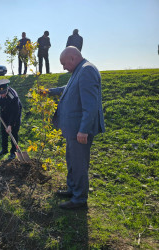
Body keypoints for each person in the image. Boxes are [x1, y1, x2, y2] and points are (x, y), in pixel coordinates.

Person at [48, 47, 105, 209]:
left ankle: (80, 199)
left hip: (79, 131)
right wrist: (49, 92)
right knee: (72, 160)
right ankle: (72, 189)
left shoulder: (87, 71)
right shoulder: (78, 71)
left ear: (72, 58)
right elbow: (67, 89)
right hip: (73, 129)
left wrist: (84, 129)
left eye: (64, 63)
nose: (63, 67)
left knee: (79, 164)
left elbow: (91, 105)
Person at [0, 79, 22, 160]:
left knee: (13, 133)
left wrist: (10, 125)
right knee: (4, 131)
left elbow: (15, 112)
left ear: (7, 89)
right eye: (1, 93)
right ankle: (4, 149)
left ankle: (13, 152)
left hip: (14, 114)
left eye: (4, 93)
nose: (2, 95)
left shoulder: (14, 97)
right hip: (4, 111)